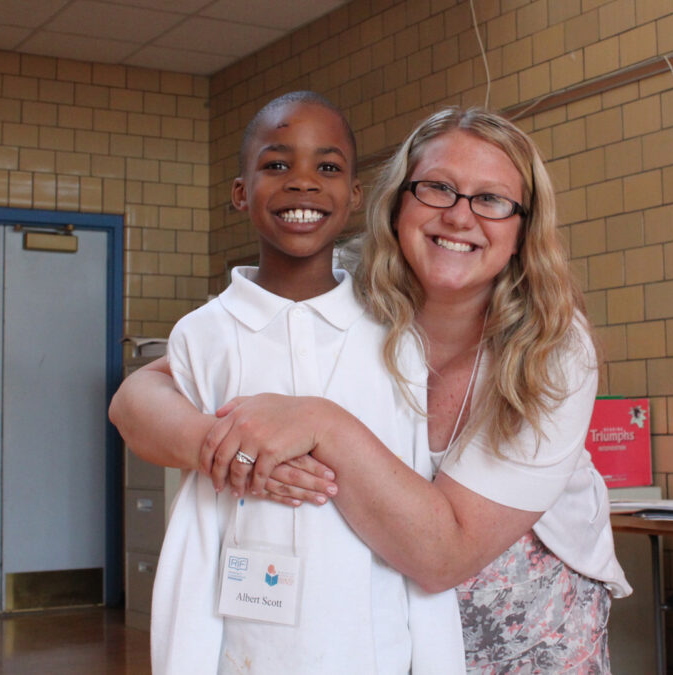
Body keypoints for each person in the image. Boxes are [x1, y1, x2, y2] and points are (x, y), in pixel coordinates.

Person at [112, 107, 630, 674]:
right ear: (397, 201)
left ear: (522, 229)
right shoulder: (339, 284)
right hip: (375, 609)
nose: (460, 217)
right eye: (438, 189)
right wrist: (225, 445)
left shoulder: (554, 346)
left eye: (492, 200)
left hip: (528, 612)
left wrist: (322, 423)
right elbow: (139, 397)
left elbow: (442, 555)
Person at [144, 91, 464, 674]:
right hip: (245, 654)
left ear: (355, 197)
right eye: (276, 164)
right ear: (240, 193)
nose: (303, 183)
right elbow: (198, 526)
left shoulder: (395, 336)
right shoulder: (202, 336)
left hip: (374, 651)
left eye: (328, 167)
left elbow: (415, 499)